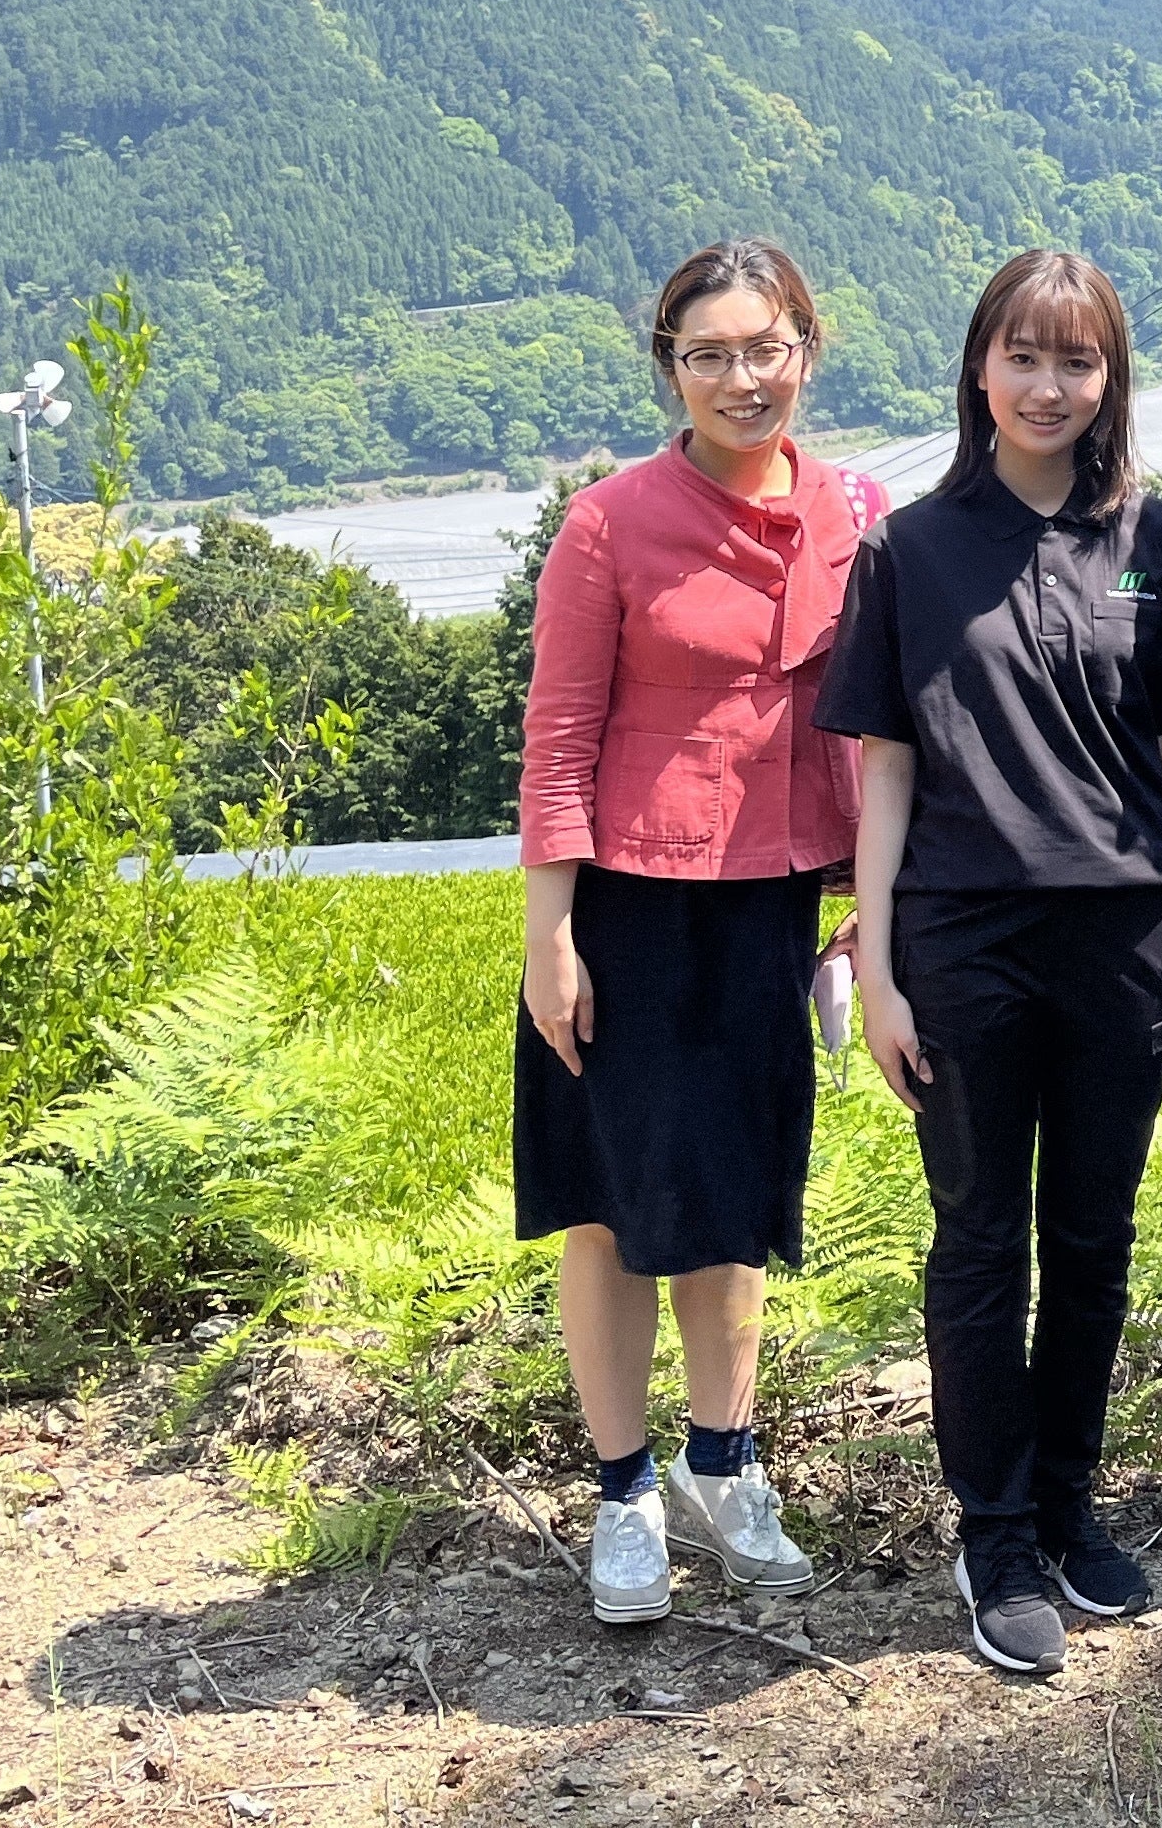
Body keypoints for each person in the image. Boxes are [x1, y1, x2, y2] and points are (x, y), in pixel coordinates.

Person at [820, 251, 1162, 1680]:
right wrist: (876, 967)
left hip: (1127, 938)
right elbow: (883, 772)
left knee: (1097, 1238)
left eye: (1080, 361)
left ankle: (1069, 1503)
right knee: (984, 1239)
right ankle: (993, 1534)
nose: (1051, 387)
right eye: (1026, 357)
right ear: (979, 369)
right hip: (964, 942)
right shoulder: (910, 551)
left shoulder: (1158, 542)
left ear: (1111, 380)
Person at [514, 239, 880, 1626]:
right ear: (669, 367)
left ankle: (722, 1463)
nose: (741, 379)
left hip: (773, 896)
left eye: (764, 349)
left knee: (734, 1198)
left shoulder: (857, 509)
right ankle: (622, 1493)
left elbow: (876, 727)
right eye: (708, 354)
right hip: (629, 902)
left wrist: (866, 903)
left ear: (808, 349)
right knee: (610, 1204)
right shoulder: (610, 524)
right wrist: (550, 934)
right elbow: (560, 736)